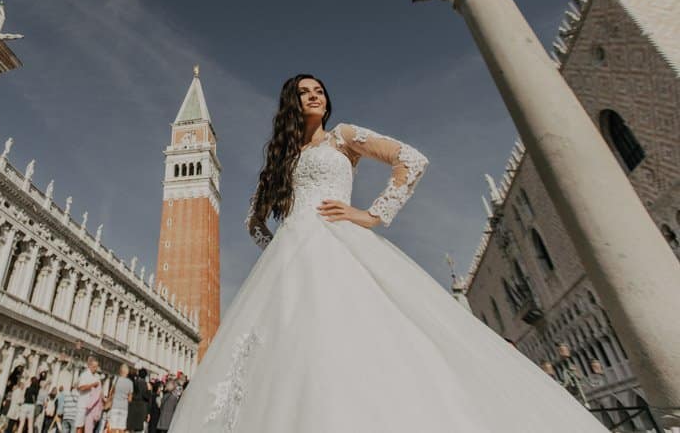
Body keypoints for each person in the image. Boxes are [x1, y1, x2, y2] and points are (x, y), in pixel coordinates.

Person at [165, 74, 612, 431]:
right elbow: (254, 222)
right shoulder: (285, 159)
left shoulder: (343, 136)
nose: (314, 96)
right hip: (295, 254)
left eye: (319, 90)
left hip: (341, 242)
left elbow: (411, 160)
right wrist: (280, 244)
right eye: (304, 93)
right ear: (291, 105)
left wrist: (372, 215)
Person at [74, 358, 101, 433]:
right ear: (89, 366)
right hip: (83, 405)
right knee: (80, 426)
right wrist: (92, 385)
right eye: (94, 367)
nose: (95, 369)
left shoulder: (96, 377)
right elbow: (81, 388)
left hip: (91, 407)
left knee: (88, 428)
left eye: (96, 367)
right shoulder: (85, 375)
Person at [105, 363, 131, 433]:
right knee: (121, 428)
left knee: (113, 427)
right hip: (124, 408)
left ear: (120, 371)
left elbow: (111, 392)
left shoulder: (116, 379)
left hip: (115, 406)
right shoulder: (129, 383)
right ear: (127, 372)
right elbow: (130, 399)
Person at [125, 368, 149, 433]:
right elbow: (146, 396)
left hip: (133, 406)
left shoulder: (135, 382)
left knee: (132, 427)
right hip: (141, 407)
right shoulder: (144, 384)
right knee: (138, 429)